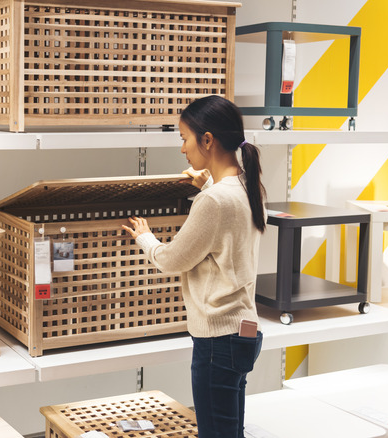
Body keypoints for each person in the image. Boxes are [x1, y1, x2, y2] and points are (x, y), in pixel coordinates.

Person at [122, 95, 266, 438]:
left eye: (184, 138)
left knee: (216, 433)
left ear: (207, 140)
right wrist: (207, 182)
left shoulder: (214, 201)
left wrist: (145, 238)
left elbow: (172, 260)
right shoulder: (249, 186)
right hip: (245, 332)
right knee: (230, 430)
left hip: (218, 338)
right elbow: (227, 217)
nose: (182, 149)